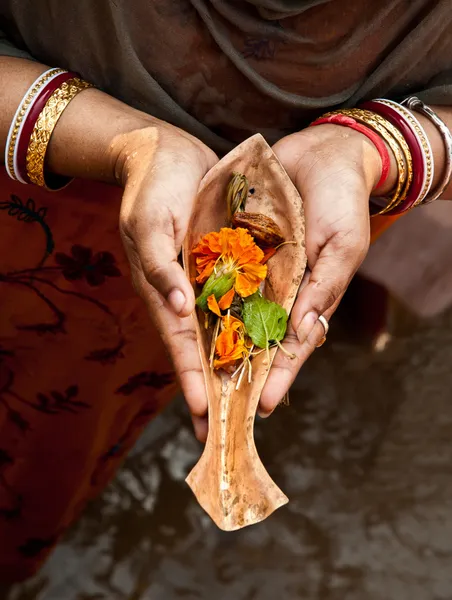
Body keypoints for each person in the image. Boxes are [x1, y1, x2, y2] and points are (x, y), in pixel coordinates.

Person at [0, 0, 451, 582]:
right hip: (64, 201)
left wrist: (375, 151)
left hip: (335, 187)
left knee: (326, 264)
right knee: (46, 385)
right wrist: (126, 143)